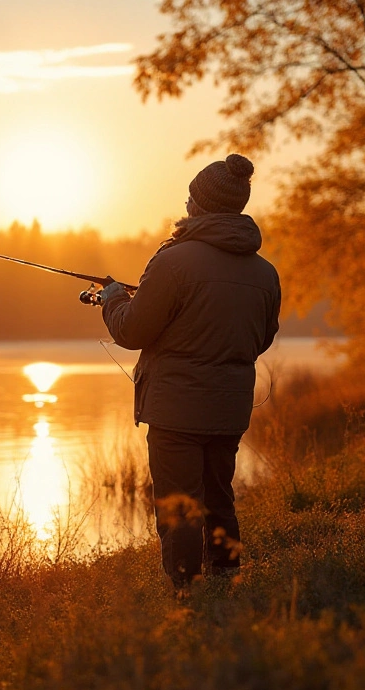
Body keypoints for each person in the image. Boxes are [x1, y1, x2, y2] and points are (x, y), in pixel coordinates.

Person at [97, 153, 280, 596]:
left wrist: (111, 299)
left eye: (190, 198)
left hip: (176, 410)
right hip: (230, 408)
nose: (186, 204)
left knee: (180, 507)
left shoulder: (173, 262)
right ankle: (227, 580)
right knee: (219, 496)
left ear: (199, 205)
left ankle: (187, 593)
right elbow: (261, 338)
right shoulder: (265, 273)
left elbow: (131, 330)